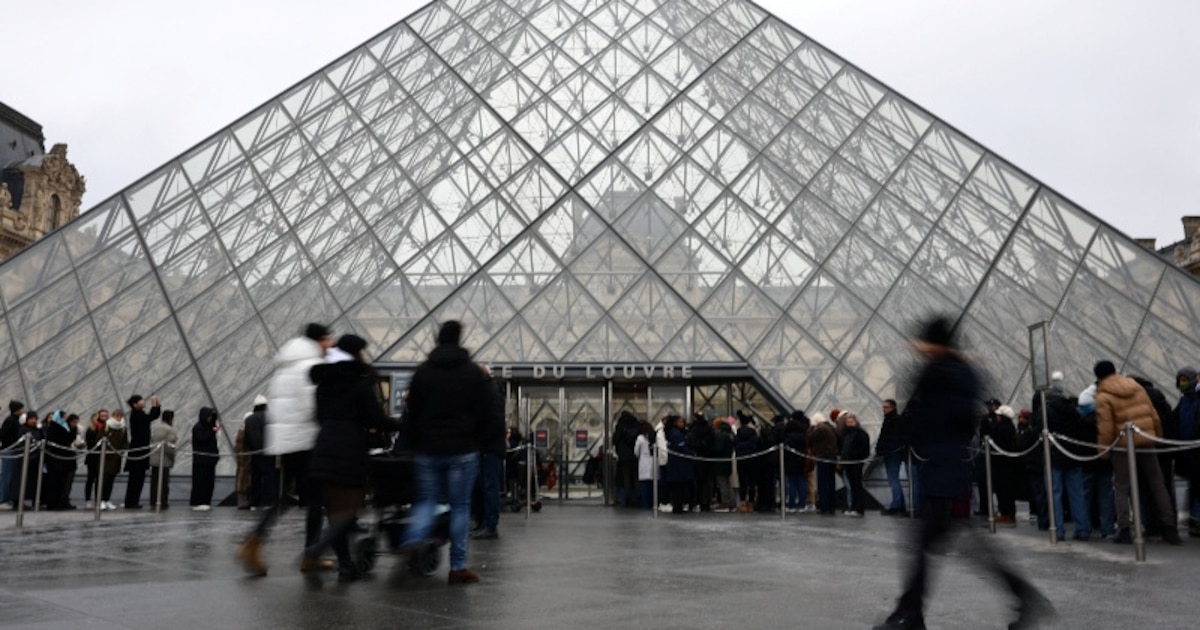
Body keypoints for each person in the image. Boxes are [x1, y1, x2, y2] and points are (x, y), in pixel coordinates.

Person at [875, 316, 1053, 630]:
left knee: (938, 545)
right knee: (950, 544)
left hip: (945, 470)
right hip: (943, 468)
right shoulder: (950, 371)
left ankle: (913, 613)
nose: (916, 347)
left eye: (924, 341)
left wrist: (921, 410)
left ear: (937, 343)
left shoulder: (949, 373)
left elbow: (942, 418)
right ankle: (1021, 597)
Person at [238, 322, 333, 576]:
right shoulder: (311, 366)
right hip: (306, 439)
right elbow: (314, 405)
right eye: (327, 340)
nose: (330, 345)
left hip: (286, 441)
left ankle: (254, 541)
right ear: (319, 340)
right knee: (316, 500)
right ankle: (310, 554)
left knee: (285, 498)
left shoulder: (285, 367)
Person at [400, 320, 491, 585]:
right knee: (461, 506)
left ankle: (413, 538)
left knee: (426, 500)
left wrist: (415, 440)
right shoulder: (472, 373)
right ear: (460, 339)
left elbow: (412, 412)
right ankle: (458, 567)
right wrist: (479, 440)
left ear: (437, 339)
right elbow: (485, 412)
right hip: (463, 449)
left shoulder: (423, 372)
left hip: (429, 449)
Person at [301, 334, 397, 583]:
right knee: (347, 512)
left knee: (335, 511)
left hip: (324, 446)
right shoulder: (359, 383)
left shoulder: (324, 383)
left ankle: (346, 566)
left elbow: (319, 416)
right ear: (355, 354)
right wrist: (403, 425)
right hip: (350, 449)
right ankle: (318, 547)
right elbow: (376, 419)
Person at [1092, 360, 1182, 545]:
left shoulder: (1103, 395)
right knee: (1158, 484)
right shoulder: (1136, 386)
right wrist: (1156, 436)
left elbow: (1106, 428)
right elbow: (1153, 415)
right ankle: (1170, 529)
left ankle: (1124, 529)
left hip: (1123, 444)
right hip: (1146, 440)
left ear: (1098, 376)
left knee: (1121, 486)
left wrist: (1105, 452)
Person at [471, 366, 506, 540]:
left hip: (488, 448)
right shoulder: (491, 392)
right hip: (489, 447)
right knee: (486, 486)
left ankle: (490, 525)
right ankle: (486, 523)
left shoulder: (488, 394)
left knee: (489, 487)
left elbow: (491, 422)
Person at [1173, 366, 1200, 537]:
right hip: (1187, 451)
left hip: (1196, 450)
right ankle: (1194, 519)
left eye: (1185, 380)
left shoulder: (1196, 400)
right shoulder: (1184, 401)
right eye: (1180, 381)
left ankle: (1196, 518)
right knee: (1194, 486)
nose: (1182, 384)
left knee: (1197, 486)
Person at [124, 394, 161, 509]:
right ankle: (131, 502)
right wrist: (154, 404)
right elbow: (150, 417)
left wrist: (156, 405)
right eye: (141, 401)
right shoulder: (136, 414)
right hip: (138, 450)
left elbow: (152, 416)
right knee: (135, 477)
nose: (143, 402)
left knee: (138, 478)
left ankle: (133, 501)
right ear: (135, 404)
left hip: (141, 449)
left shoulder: (139, 413)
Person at [876, 399, 910, 515]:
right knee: (893, 479)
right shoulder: (893, 420)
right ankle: (898, 504)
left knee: (893, 479)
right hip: (892, 453)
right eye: (883, 407)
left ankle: (897, 505)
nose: (884, 410)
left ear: (893, 407)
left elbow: (890, 439)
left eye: (886, 407)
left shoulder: (893, 420)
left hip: (892, 453)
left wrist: (883, 450)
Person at [43, 411, 78, 510]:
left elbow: (69, 439)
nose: (65, 419)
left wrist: (74, 429)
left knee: (62, 482)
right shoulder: (54, 427)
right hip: (56, 459)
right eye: (64, 417)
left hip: (63, 459)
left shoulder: (64, 426)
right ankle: (54, 503)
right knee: (55, 482)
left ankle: (61, 501)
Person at [190, 407, 220, 511]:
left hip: (210, 461)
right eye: (209, 416)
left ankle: (207, 501)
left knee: (209, 482)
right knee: (200, 482)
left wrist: (214, 414)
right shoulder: (198, 428)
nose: (210, 418)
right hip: (201, 461)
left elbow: (213, 423)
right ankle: (199, 501)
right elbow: (202, 439)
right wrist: (212, 432)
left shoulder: (209, 426)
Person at [807, 413, 838, 515]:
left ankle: (824, 506)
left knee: (823, 482)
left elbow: (809, 438)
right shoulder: (831, 427)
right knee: (831, 482)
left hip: (823, 456)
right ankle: (832, 505)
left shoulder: (821, 429)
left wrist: (812, 427)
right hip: (832, 456)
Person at [840, 412, 870, 517]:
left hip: (856, 462)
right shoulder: (845, 434)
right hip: (848, 463)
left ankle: (859, 508)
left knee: (857, 485)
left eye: (851, 422)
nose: (849, 424)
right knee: (852, 486)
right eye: (848, 422)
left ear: (856, 422)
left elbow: (865, 449)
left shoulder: (860, 433)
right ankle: (853, 507)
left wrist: (856, 456)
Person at [243, 396, 270, 510]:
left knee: (256, 478)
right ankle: (267, 502)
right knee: (268, 478)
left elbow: (246, 439)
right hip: (269, 453)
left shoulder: (249, 420)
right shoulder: (270, 417)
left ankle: (255, 503)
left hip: (255, 453)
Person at [149, 410, 178, 509]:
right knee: (163, 483)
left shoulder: (156, 428)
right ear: (171, 418)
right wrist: (173, 457)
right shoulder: (170, 430)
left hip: (154, 459)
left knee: (154, 482)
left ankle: (154, 501)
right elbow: (169, 446)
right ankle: (162, 501)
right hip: (164, 460)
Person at [100, 411, 127, 511]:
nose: (119, 418)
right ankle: (101, 500)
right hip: (107, 458)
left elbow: (125, 440)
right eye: (117, 416)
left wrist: (123, 450)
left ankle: (107, 499)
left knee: (111, 479)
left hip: (116, 458)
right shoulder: (107, 426)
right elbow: (101, 439)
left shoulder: (123, 428)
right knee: (105, 479)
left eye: (120, 416)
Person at [0, 400, 24, 509]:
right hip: (10, 450)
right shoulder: (11, 421)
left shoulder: (15, 420)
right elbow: (3, 434)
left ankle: (7, 498)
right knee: (7, 476)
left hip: (12, 450)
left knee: (11, 476)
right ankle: (2, 499)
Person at [613, 410, 639, 507]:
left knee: (626, 477)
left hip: (624, 456)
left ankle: (627, 499)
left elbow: (615, 439)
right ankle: (637, 498)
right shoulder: (635, 425)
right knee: (636, 478)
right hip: (635, 456)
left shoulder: (620, 426)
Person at [83, 410, 108, 509]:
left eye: (106, 416)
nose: (104, 417)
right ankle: (88, 499)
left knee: (100, 479)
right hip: (93, 457)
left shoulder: (107, 428)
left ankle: (100, 499)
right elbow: (89, 442)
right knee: (91, 478)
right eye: (102, 415)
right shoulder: (91, 429)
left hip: (103, 457)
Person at [634, 419, 656, 510]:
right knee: (652, 486)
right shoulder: (654, 437)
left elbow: (636, 451)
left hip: (643, 461)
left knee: (644, 486)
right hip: (653, 461)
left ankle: (645, 505)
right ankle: (652, 504)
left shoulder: (640, 438)